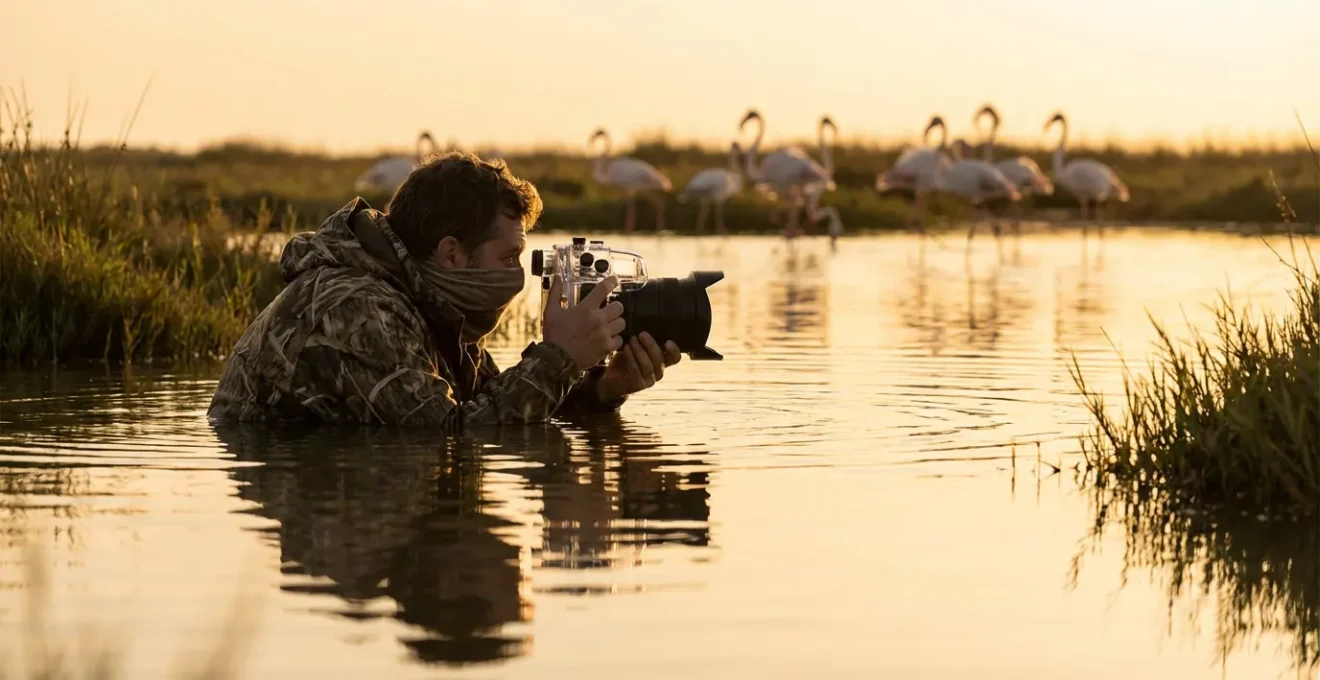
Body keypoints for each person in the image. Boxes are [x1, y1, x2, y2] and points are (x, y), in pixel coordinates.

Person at [207, 152, 681, 428]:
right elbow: (451, 436)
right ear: (452, 253)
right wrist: (559, 356)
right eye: (508, 257)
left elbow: (493, 403)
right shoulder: (356, 307)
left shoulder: (429, 303)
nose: (517, 276)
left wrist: (604, 387)